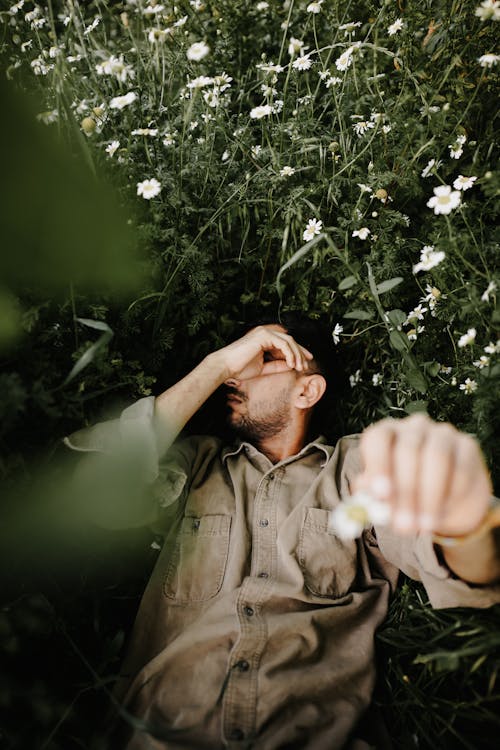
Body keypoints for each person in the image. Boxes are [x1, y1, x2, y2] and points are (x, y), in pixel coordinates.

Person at [65, 313, 500, 750]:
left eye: (267, 356)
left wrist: (466, 525)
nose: (240, 371)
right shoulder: (196, 464)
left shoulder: (354, 469)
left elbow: (448, 549)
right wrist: (217, 364)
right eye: (241, 357)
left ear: (307, 389)